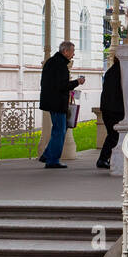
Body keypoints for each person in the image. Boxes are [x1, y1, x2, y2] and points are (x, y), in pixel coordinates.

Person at [39, 40, 85, 169]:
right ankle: (52, 160)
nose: (73, 55)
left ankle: (47, 155)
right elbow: (62, 85)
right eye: (72, 51)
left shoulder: (52, 62)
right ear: (65, 51)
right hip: (57, 102)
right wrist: (77, 82)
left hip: (52, 101)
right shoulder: (60, 65)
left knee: (59, 129)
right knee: (60, 131)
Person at [96, 53, 124, 170]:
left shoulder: (111, 71)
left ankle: (105, 158)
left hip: (108, 107)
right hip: (115, 108)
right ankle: (103, 159)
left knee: (112, 135)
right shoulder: (121, 72)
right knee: (114, 135)